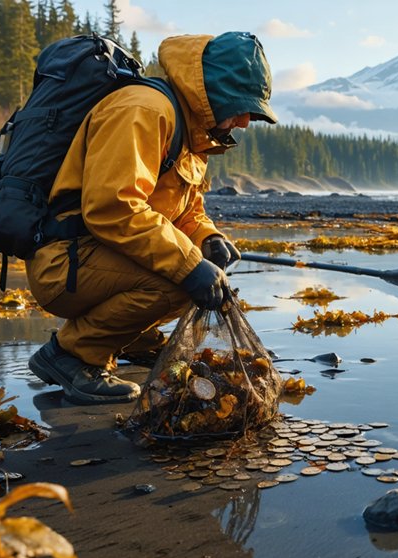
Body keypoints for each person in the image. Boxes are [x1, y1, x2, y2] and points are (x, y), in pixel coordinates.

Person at [27, 32, 277, 405]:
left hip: (95, 255)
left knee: (193, 265)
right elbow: (113, 207)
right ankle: (71, 354)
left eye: (251, 113)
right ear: (212, 92)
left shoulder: (193, 130)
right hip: (63, 263)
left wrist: (207, 238)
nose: (243, 122)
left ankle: (132, 339)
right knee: (181, 281)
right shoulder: (145, 110)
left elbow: (185, 210)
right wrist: (191, 266)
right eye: (241, 108)